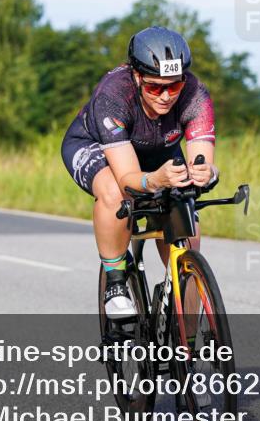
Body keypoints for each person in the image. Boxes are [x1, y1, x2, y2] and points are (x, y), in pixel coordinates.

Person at [60, 26, 218, 318]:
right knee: (117, 194)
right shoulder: (114, 94)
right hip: (99, 148)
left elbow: (203, 161)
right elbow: (128, 178)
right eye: (155, 87)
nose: (166, 96)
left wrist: (205, 173)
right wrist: (154, 180)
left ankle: (188, 355)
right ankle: (116, 282)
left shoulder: (195, 95)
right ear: (136, 77)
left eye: (175, 85)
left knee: (188, 241)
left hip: (158, 151)